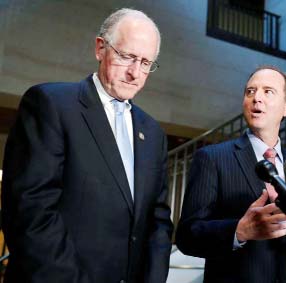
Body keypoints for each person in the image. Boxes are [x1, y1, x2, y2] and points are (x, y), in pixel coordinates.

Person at [1, 8, 173, 283]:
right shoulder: (50, 104)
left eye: (145, 62)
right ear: (100, 48)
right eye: (127, 57)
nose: (135, 73)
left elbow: (158, 222)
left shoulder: (153, 133)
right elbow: (30, 213)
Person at [176, 66, 286, 283]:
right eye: (250, 91)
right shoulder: (212, 158)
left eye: (267, 91)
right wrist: (239, 231)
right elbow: (187, 236)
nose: (256, 98)